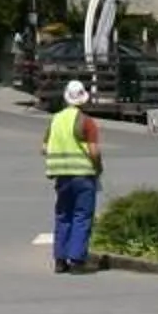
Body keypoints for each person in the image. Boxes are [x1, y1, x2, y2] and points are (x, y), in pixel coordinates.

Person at [46, 79, 105, 274]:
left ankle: (60, 260)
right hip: (83, 175)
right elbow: (94, 152)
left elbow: (44, 146)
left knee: (63, 216)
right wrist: (98, 168)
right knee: (81, 216)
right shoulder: (86, 122)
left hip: (61, 176)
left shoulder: (55, 120)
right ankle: (77, 260)